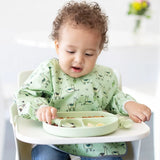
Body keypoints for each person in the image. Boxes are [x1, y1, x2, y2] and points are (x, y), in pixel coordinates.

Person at [15, 1, 151, 160]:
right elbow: (25, 96)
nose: (78, 60)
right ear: (58, 47)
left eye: (88, 54)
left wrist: (129, 105)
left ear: (99, 51)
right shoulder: (49, 71)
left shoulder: (104, 76)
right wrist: (41, 108)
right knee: (46, 157)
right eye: (71, 51)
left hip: (97, 140)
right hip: (55, 140)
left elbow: (114, 98)